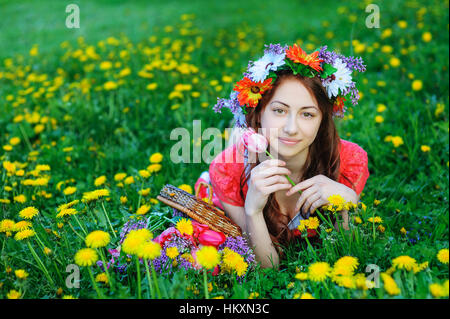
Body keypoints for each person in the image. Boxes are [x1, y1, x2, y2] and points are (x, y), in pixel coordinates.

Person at [194, 43, 369, 268]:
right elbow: (269, 267)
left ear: (323, 121)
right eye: (279, 110)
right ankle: (241, 138)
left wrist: (347, 204)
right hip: (236, 171)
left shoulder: (348, 161)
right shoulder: (228, 172)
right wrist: (253, 211)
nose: (291, 128)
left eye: (307, 114)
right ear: (259, 114)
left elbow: (345, 256)